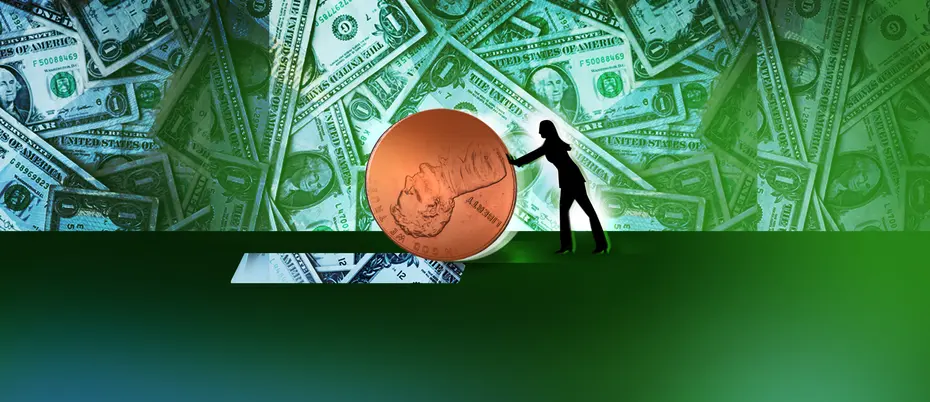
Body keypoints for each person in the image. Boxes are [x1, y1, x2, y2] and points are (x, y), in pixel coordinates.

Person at [508, 120, 608, 254]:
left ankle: (591, 245)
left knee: (583, 212)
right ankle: (595, 244)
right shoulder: (551, 142)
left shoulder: (551, 143)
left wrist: (516, 162)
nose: (539, 132)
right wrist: (517, 162)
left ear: (547, 130)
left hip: (571, 180)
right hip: (571, 179)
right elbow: (537, 154)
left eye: (541, 129)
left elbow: (535, 154)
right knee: (574, 212)